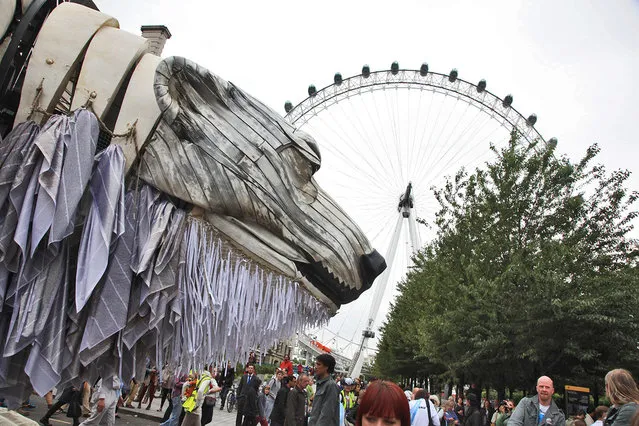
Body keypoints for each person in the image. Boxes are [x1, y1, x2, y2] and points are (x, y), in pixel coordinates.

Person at [308, 354, 340, 426]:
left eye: (319, 364)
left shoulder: (331, 386)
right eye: (315, 364)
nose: (315, 367)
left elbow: (326, 414)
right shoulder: (320, 384)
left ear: (326, 367)